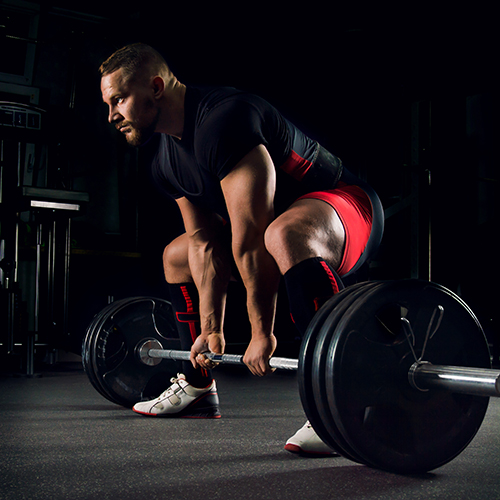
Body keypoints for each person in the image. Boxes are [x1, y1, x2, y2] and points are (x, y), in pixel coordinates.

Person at [99, 43, 384, 455]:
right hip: (278, 231)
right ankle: (197, 385)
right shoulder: (165, 158)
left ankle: (344, 399)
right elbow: (204, 243)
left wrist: (261, 333)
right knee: (175, 257)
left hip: (349, 209)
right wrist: (211, 330)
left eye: (119, 100)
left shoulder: (223, 119)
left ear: (156, 87)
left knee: (279, 234)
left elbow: (251, 239)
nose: (111, 115)